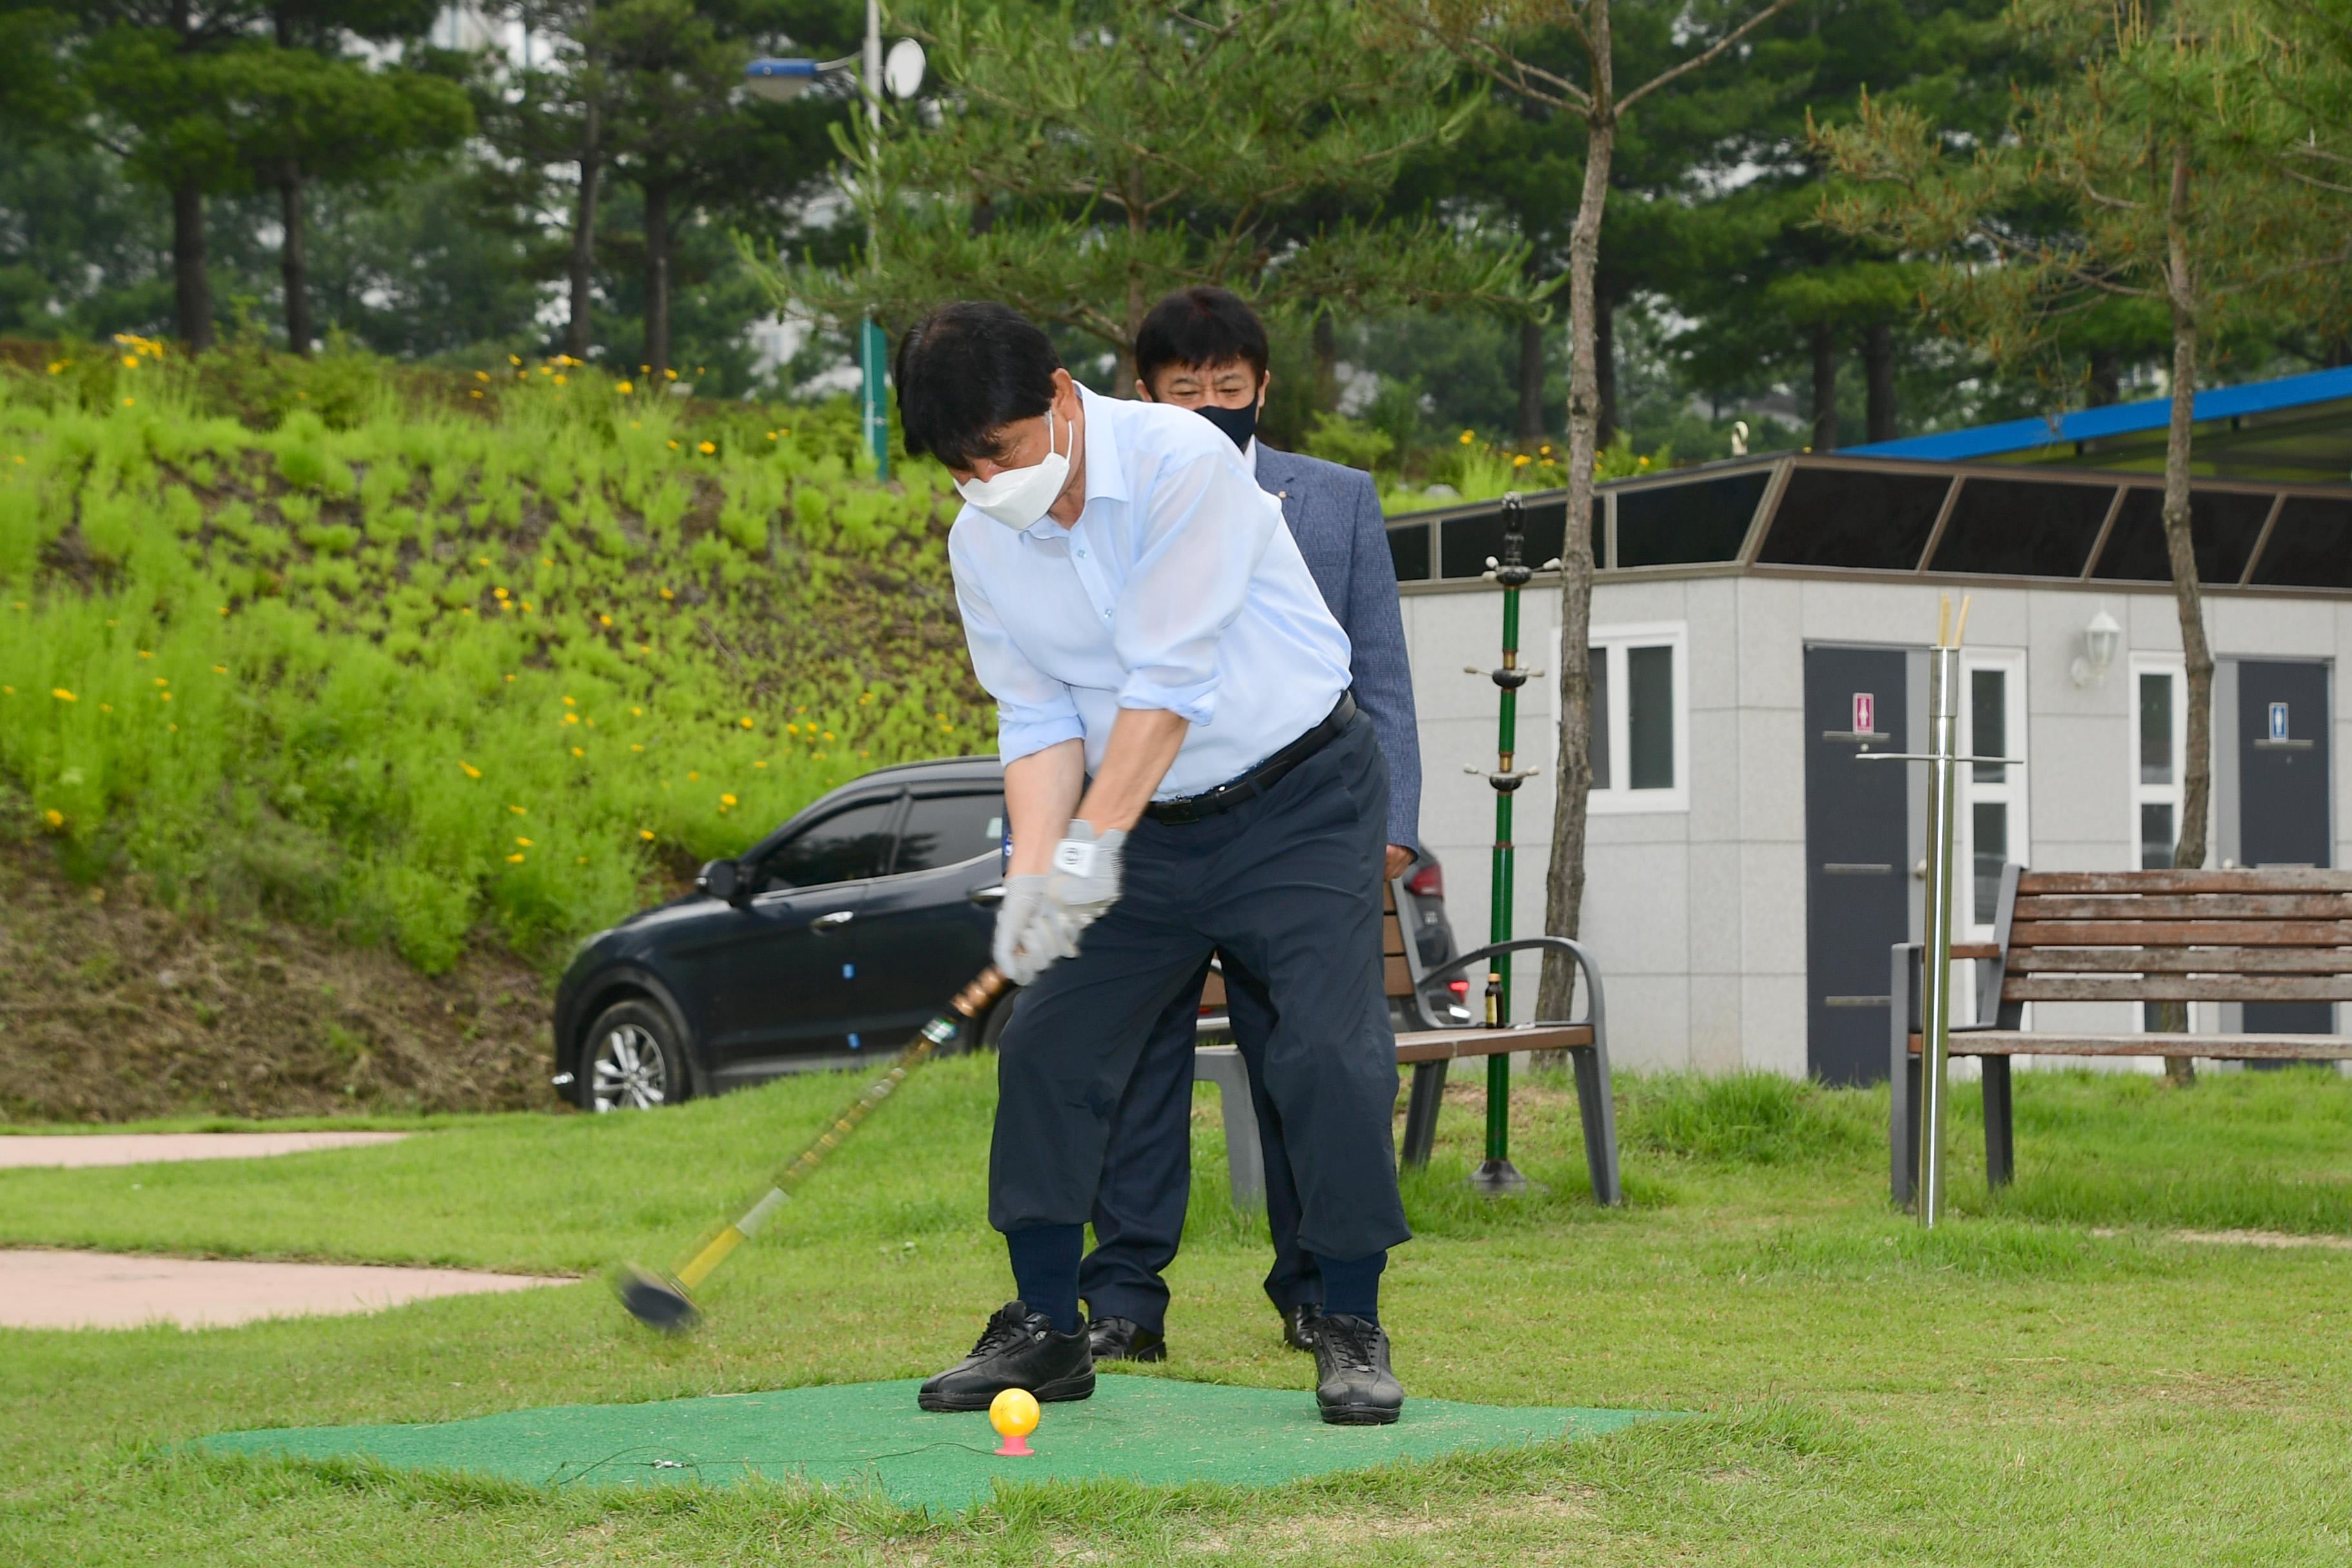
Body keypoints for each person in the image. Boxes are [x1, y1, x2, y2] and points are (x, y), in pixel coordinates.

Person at [898, 300, 1410, 1426]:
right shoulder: (981, 542)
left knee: (1327, 1054)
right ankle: (1046, 1325)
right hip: (1148, 826)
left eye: (999, 450)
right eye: (960, 466)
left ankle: (1348, 1319)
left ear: (1064, 396)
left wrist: (1087, 848)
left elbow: (1167, 686)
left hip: (1300, 799)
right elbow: (1036, 723)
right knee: (1046, 1042)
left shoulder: (1182, 458)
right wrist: (1036, 879)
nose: (984, 480)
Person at [1080, 286, 1421, 1366]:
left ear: (1263, 388)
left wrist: (1390, 825)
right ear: (1145, 394)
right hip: (1151, 829)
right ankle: (1125, 1297)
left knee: (1309, 1063)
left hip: (1301, 831)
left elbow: (1384, 676)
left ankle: (1321, 1292)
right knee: (1133, 1068)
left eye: (1230, 387)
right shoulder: (1100, 507)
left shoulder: (1334, 499)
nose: (1210, 405)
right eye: (1187, 389)